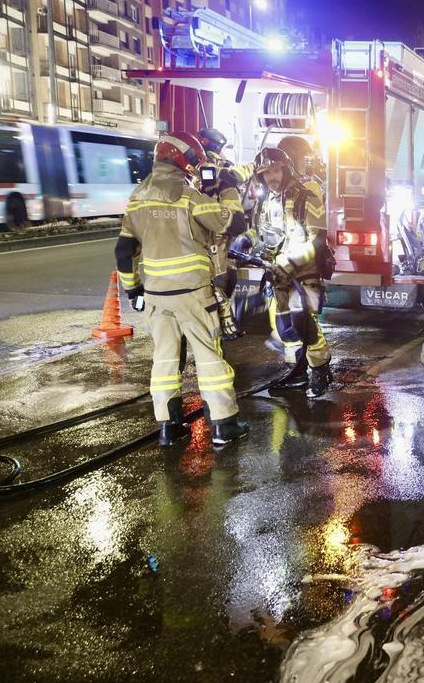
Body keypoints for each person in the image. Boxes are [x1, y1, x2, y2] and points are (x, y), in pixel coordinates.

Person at [114, 132, 248, 447]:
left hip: (157, 299)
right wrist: (227, 188)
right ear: (181, 162)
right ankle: (224, 426)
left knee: (164, 360)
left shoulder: (137, 198)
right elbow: (235, 223)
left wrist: (133, 291)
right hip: (192, 295)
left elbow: (123, 251)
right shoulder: (189, 198)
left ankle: (169, 428)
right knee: (209, 358)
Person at [252, 142, 333, 396]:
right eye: (265, 173)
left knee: (302, 320)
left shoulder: (305, 196)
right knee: (284, 325)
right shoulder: (265, 201)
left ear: (285, 168)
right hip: (278, 274)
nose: (271, 178)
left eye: (275, 171)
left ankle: (320, 369)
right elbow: (264, 234)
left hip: (303, 272)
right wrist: (249, 242)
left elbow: (318, 240)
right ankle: (296, 371)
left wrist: (289, 262)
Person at [194, 128, 248, 339]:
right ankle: (216, 332)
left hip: (197, 245)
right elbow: (237, 223)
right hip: (215, 245)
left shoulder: (185, 176)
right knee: (221, 283)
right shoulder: (223, 175)